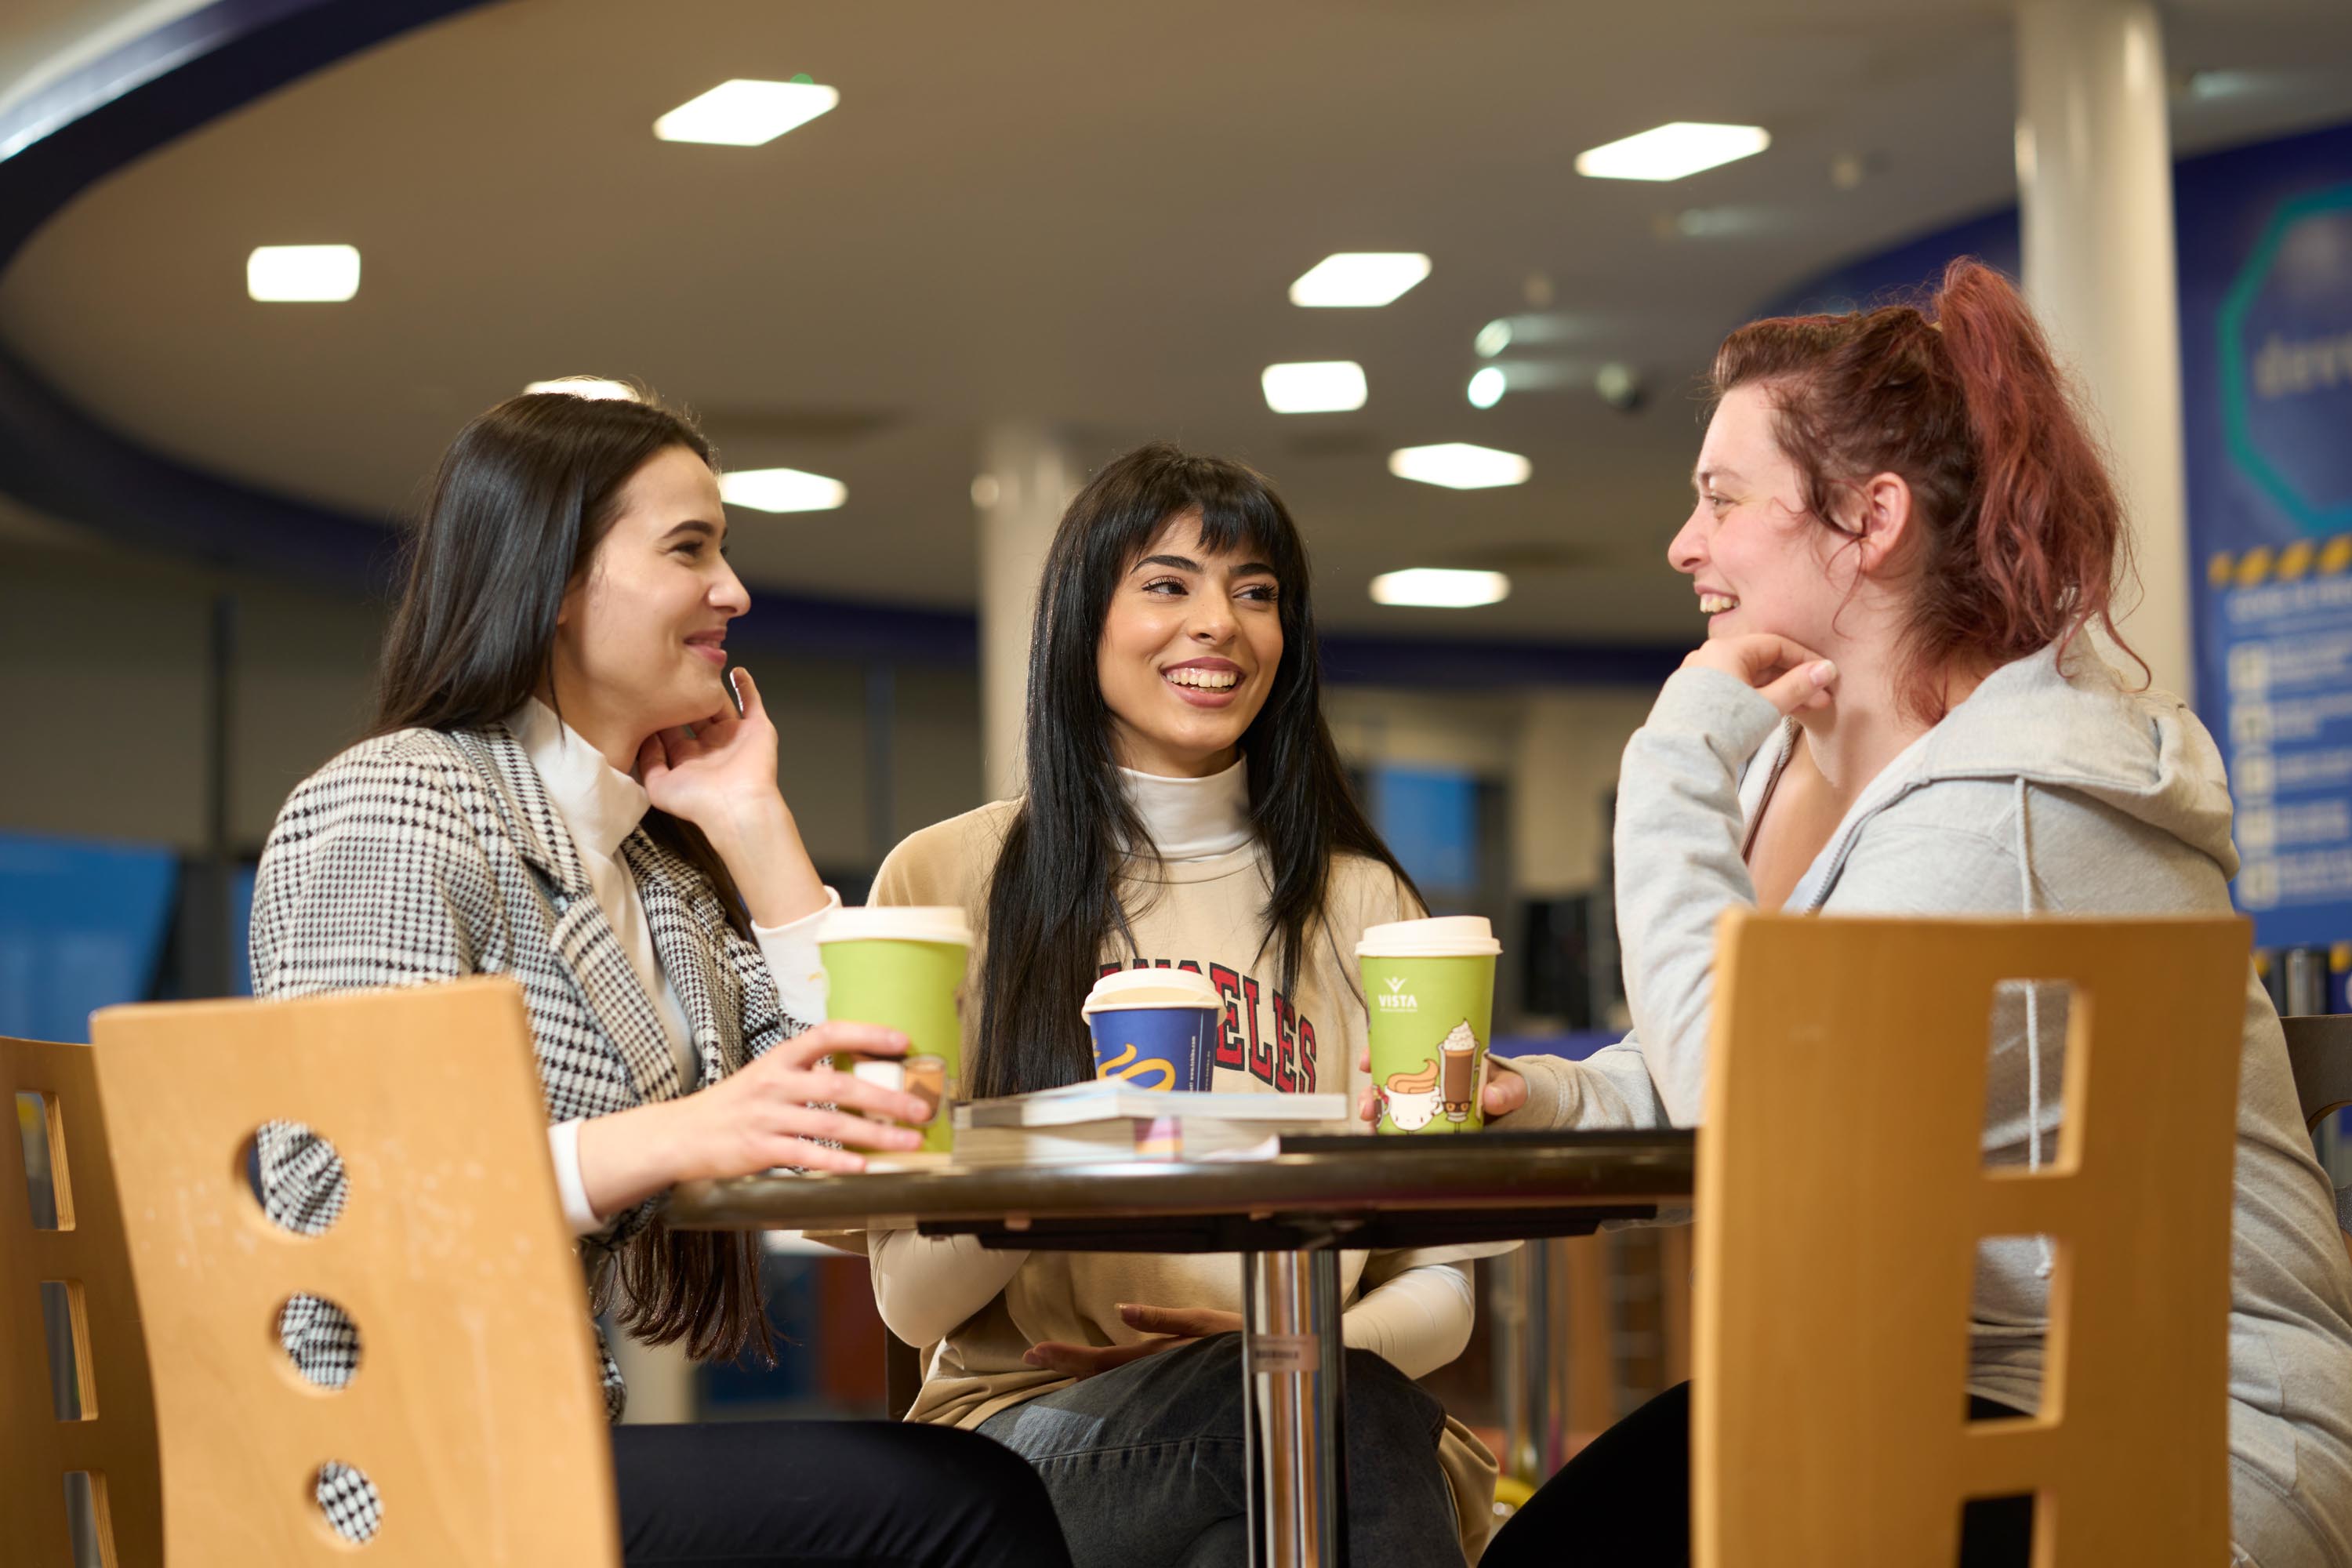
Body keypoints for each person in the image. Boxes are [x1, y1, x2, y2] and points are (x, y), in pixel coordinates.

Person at [1450, 261, 2352, 1567]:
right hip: (1955, 1401)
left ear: (1871, 520)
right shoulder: (1810, 775)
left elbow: (1753, 1125)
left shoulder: (2006, 815)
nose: (1685, 544)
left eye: (1722, 499)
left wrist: (1671, 759)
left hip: (2185, 1453)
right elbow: (1736, 1070)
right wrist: (1546, 1096)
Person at [249, 387, 1073, 1568]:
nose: (734, 591)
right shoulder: (401, 799)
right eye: (690, 549)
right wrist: (680, 1133)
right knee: (965, 1499)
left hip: (540, 1454)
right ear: (553, 580)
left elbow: (872, 1134)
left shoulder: (652, 873)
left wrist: (756, 826)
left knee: (968, 1487)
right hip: (395, 1478)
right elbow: (341, 1196)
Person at [857, 443, 1500, 1566]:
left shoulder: (1366, 904)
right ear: (1083, 622)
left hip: (1327, 1408)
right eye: (1167, 584)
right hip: (1025, 1439)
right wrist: (1076, 1143)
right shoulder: (946, 879)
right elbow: (910, 1304)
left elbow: (1441, 1283)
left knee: (1272, 1472)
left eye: (1257, 592)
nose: (1219, 624)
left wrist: (1281, 1350)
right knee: (1308, 1422)